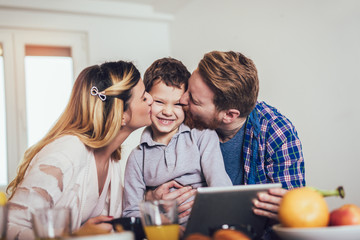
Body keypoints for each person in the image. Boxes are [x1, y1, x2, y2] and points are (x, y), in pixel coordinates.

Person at [147, 51, 305, 239]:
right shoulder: (180, 117)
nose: (182, 100)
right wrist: (150, 199)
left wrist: (289, 211)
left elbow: (296, 218)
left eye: (194, 100)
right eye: (188, 89)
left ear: (229, 115)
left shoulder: (276, 133)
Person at [6, 61, 153, 240]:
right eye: (144, 97)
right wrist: (74, 237)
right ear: (121, 115)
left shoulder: (111, 160)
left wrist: (152, 196)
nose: (151, 99)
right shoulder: (66, 152)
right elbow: (7, 228)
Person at [122, 58, 232, 225]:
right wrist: (162, 220)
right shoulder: (137, 158)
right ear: (147, 99)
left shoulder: (202, 135)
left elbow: (219, 184)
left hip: (206, 226)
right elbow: (131, 212)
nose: (168, 111)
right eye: (159, 102)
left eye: (178, 104)